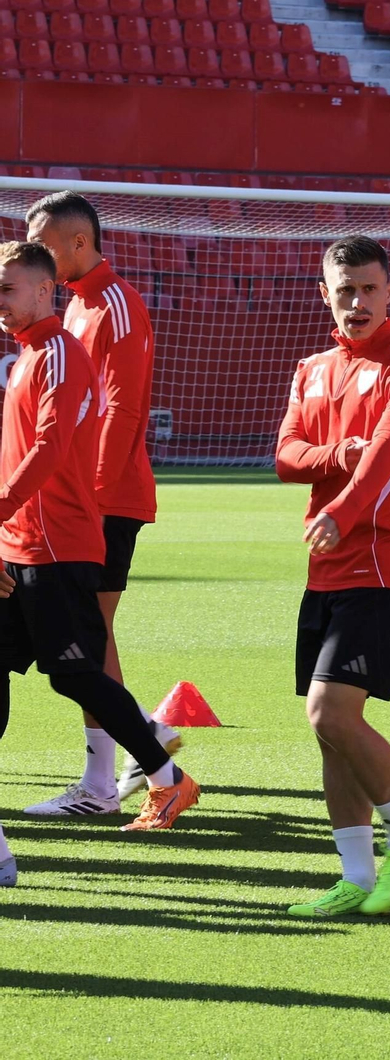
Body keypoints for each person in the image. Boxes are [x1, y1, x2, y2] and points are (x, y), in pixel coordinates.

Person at [0, 240, 201, 861]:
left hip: (56, 545)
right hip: (21, 543)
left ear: (43, 289)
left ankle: (167, 780)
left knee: (78, 673)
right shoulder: (31, 355)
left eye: (8, 289)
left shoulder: (57, 352)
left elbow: (52, 448)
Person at [277, 235, 390, 917]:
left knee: (331, 711)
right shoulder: (313, 368)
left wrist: (344, 510)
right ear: (326, 294)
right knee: (328, 730)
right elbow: (287, 454)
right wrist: (332, 453)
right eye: (344, 290)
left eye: (369, 289)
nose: (357, 302)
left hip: (383, 563)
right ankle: (356, 875)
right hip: (326, 569)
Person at [21, 191, 178, 813]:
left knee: (88, 639)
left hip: (104, 500)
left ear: (78, 244)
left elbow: (122, 408)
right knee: (89, 637)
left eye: (44, 243)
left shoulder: (114, 304)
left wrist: (88, 495)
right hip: (83, 499)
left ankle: (102, 781)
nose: (35, 254)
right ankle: (143, 737)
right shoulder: (77, 307)